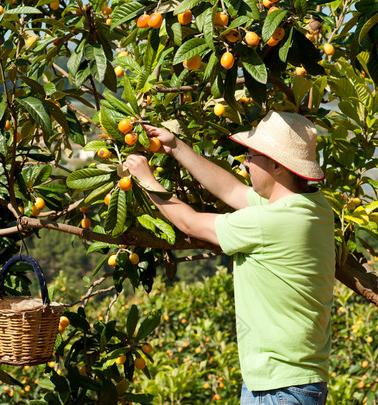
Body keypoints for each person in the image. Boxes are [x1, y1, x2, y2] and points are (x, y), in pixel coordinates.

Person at [124, 111, 335, 405]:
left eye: (251, 156)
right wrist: (176, 147)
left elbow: (190, 224)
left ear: (277, 165)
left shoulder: (271, 222)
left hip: (279, 389)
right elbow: (232, 190)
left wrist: (146, 179)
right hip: (288, 382)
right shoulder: (313, 206)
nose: (245, 162)